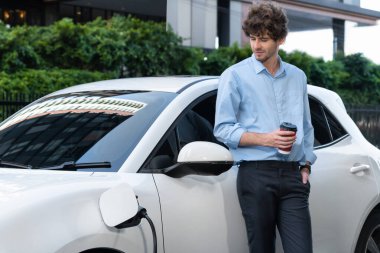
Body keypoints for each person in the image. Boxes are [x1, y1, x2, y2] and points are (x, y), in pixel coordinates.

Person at [213, 1, 317, 253]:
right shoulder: (235, 75)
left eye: (264, 39)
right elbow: (222, 128)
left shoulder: (297, 76)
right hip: (255, 175)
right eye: (252, 38)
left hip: (293, 177)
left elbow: (306, 125)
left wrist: (305, 165)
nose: (257, 46)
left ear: (280, 39)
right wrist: (266, 139)